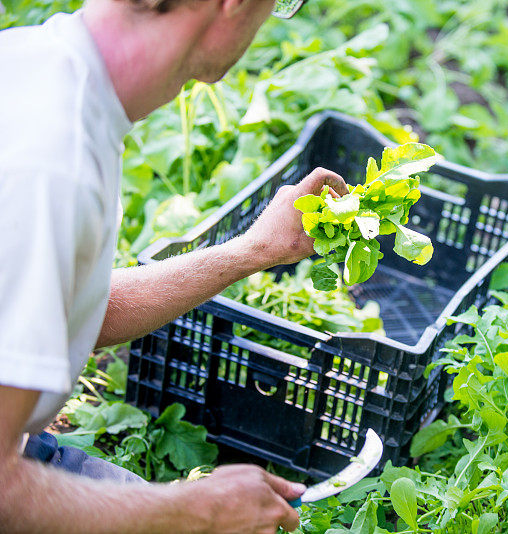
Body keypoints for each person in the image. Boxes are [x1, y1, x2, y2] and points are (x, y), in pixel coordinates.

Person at [0, 0, 347, 531]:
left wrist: (253, 250)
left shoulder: (41, 72)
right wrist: (193, 511)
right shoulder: (54, 165)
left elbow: (70, 306)